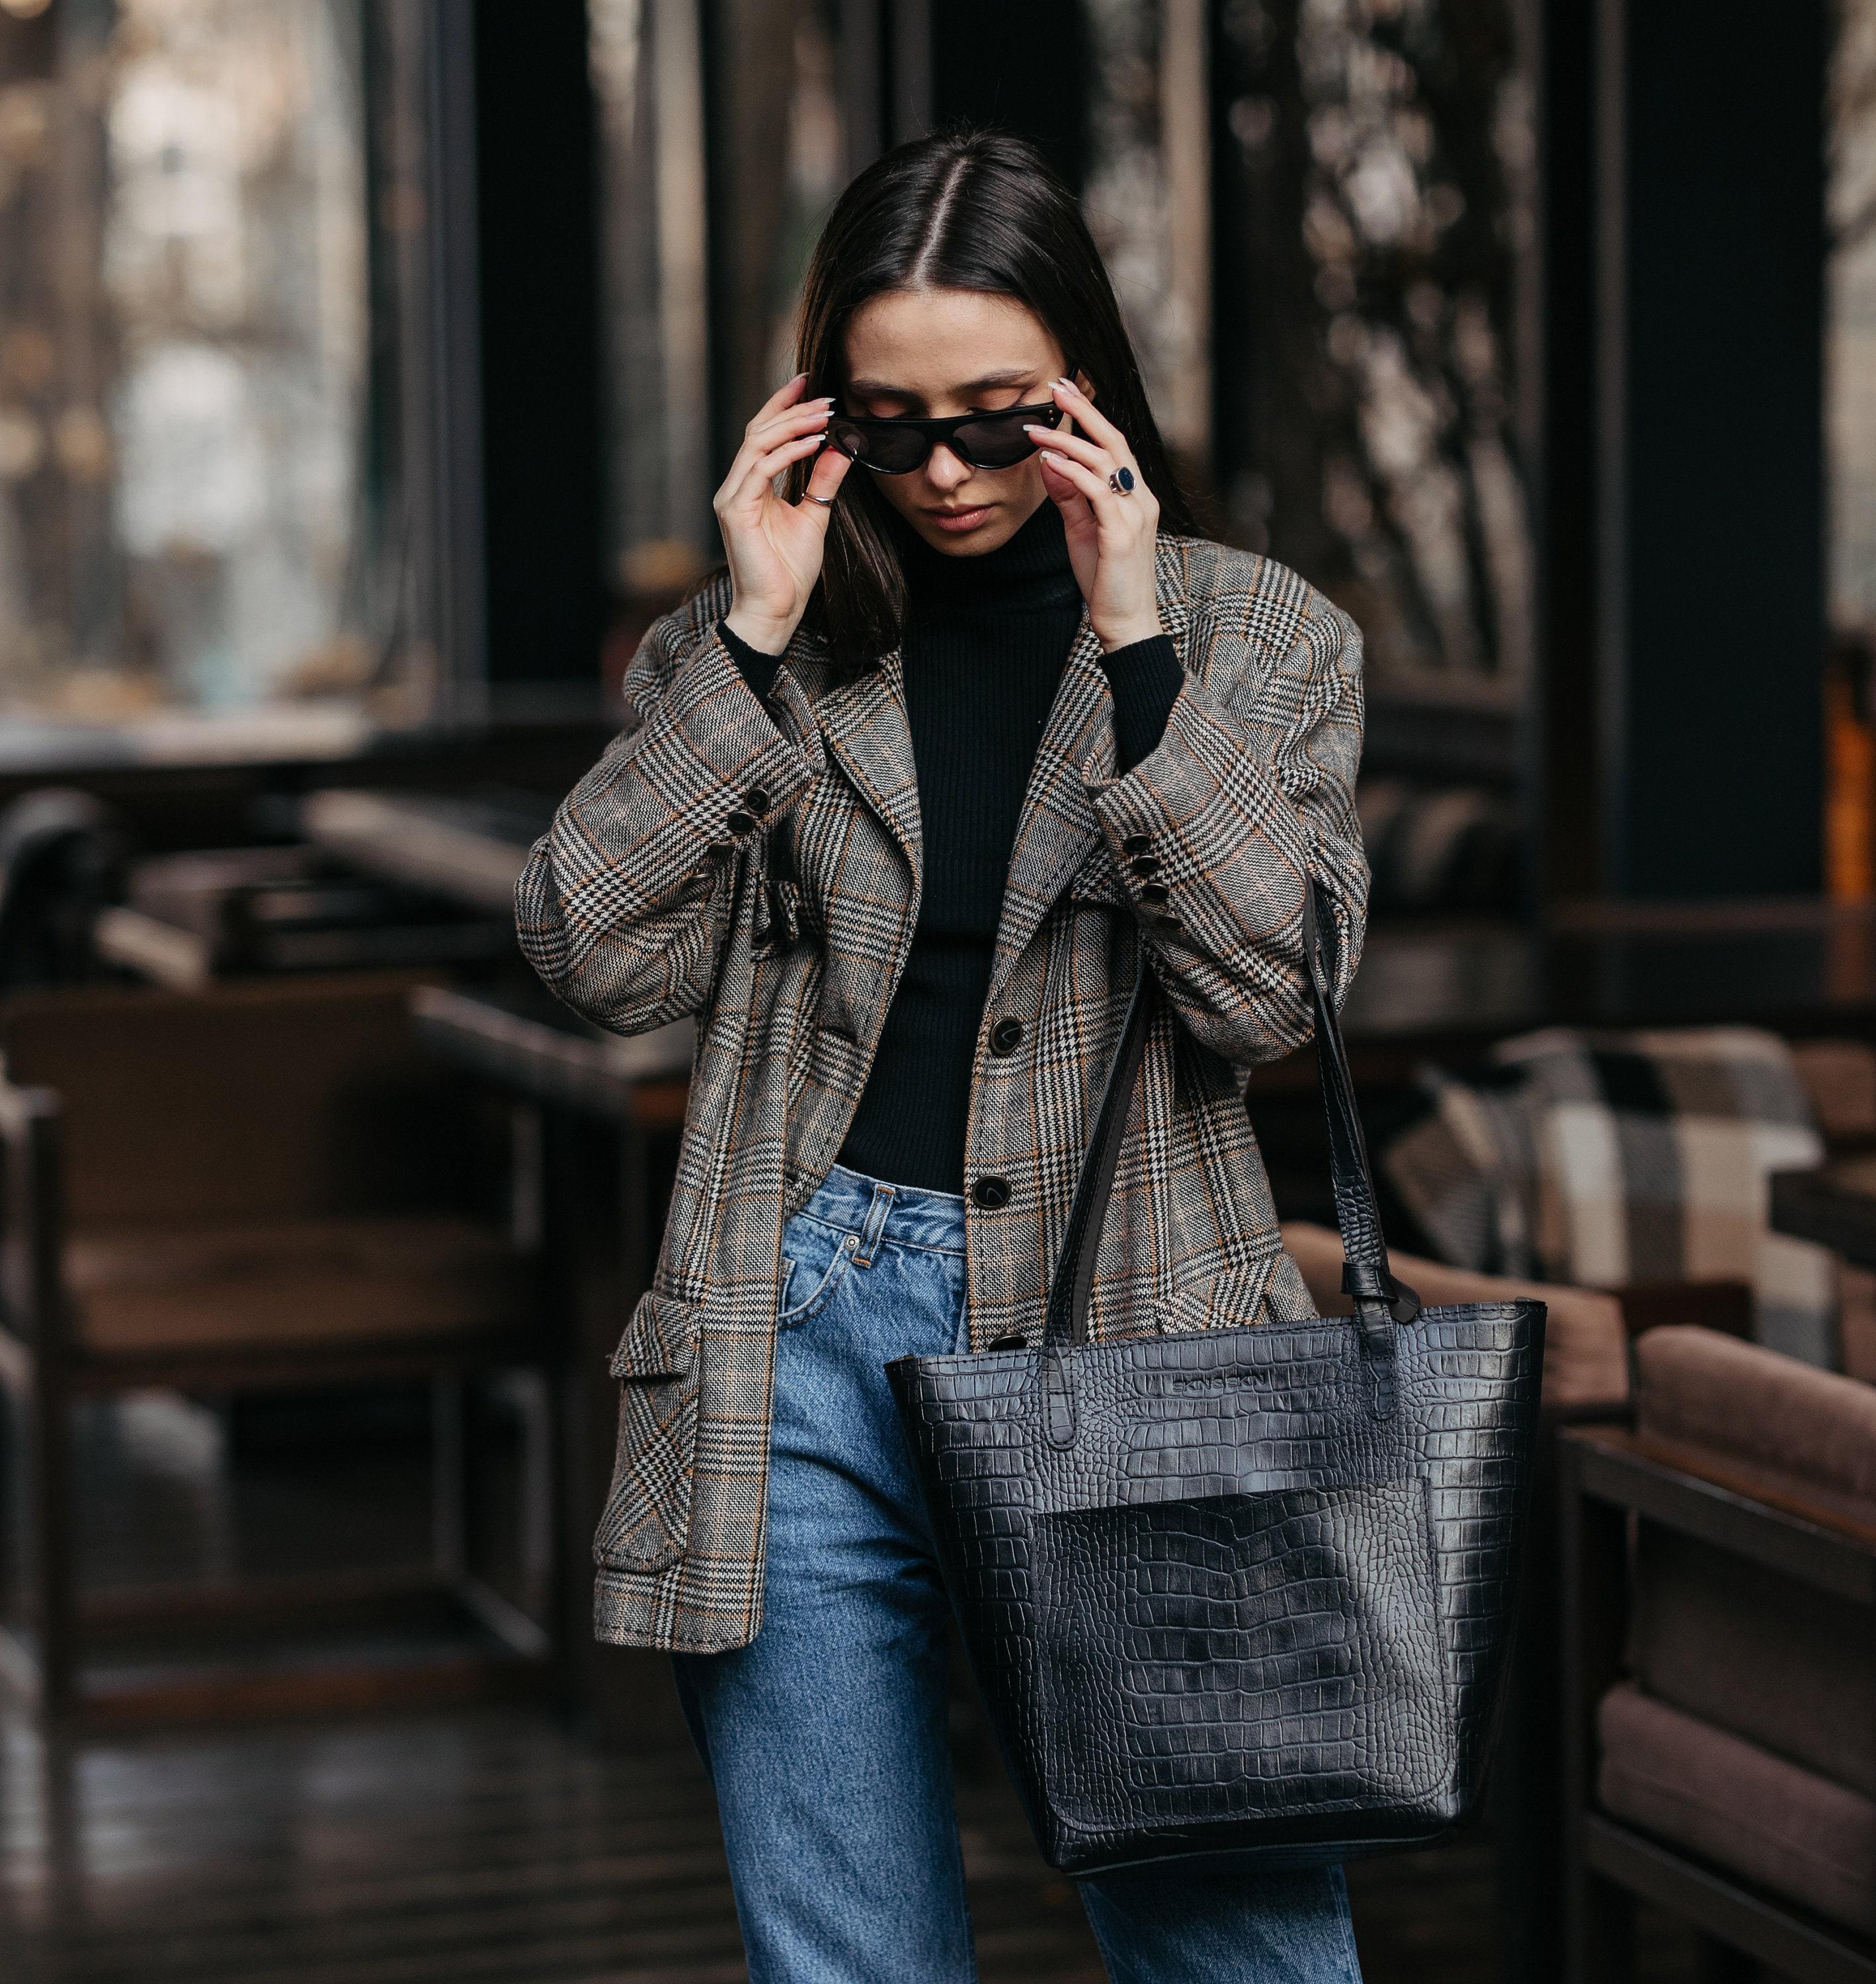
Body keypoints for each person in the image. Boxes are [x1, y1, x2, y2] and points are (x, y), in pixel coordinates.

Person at [517, 125, 1370, 1984]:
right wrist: (749, 629)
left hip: (1140, 1327)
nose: (946, 473)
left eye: (997, 417)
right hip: (794, 1337)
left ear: (1086, 394)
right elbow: (591, 948)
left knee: (1241, 1953)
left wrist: (1139, 645)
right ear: (818, 416)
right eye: (888, 424)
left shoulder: (1259, 638)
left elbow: (1270, 1000)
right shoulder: (752, 649)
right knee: (848, 1961)